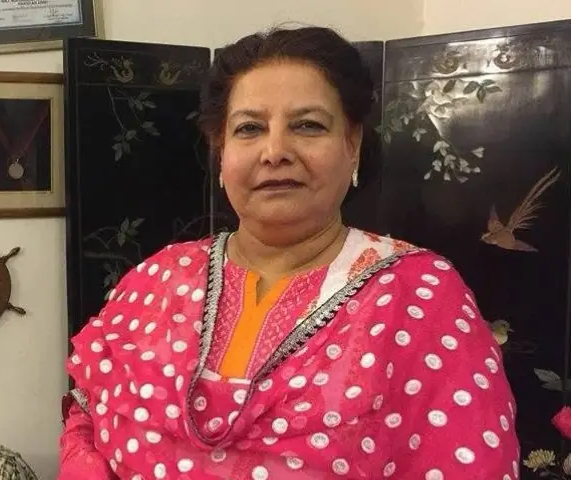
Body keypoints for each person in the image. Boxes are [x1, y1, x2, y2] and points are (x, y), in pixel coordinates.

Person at [59, 26, 520, 479]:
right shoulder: (157, 280)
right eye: (249, 128)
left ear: (353, 145)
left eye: (307, 125)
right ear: (221, 152)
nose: (275, 151)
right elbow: (86, 420)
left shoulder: (420, 295)